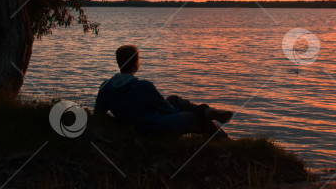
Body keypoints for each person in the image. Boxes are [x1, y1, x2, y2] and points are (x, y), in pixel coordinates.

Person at [94, 45, 234, 137]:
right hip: (155, 127)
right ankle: (223, 138)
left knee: (173, 99)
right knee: (195, 117)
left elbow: (98, 114)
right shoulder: (144, 86)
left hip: (139, 123)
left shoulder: (105, 87)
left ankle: (206, 111)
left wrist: (121, 117)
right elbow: (169, 111)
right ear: (137, 63)